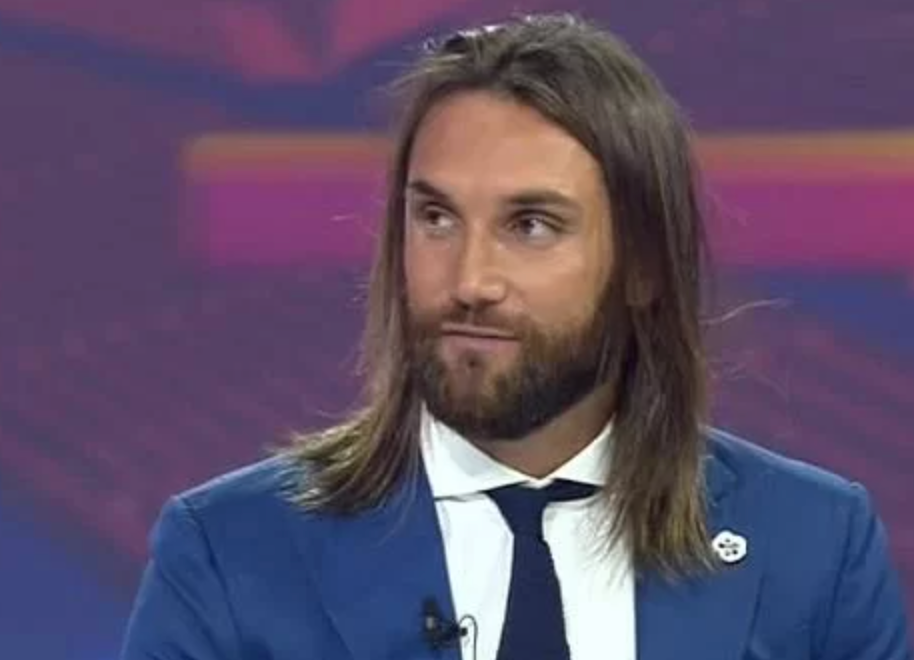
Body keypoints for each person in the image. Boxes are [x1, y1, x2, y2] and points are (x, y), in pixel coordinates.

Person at [120, 13, 912, 660]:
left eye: (530, 225)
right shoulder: (229, 552)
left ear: (642, 265)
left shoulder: (813, 547)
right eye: (436, 218)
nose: (469, 279)